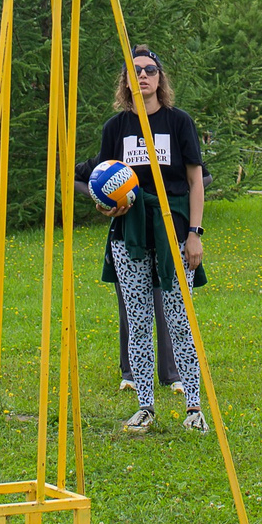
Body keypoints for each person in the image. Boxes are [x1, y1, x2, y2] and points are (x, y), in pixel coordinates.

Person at [85, 46, 209, 435]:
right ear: (125, 80)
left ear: (160, 78)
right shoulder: (115, 128)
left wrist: (194, 234)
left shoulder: (179, 122)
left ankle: (194, 407)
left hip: (173, 227)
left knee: (180, 320)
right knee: (137, 319)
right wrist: (107, 208)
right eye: (134, 70)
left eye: (150, 70)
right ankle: (144, 407)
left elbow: (194, 182)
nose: (142, 76)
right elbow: (102, 180)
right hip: (130, 232)